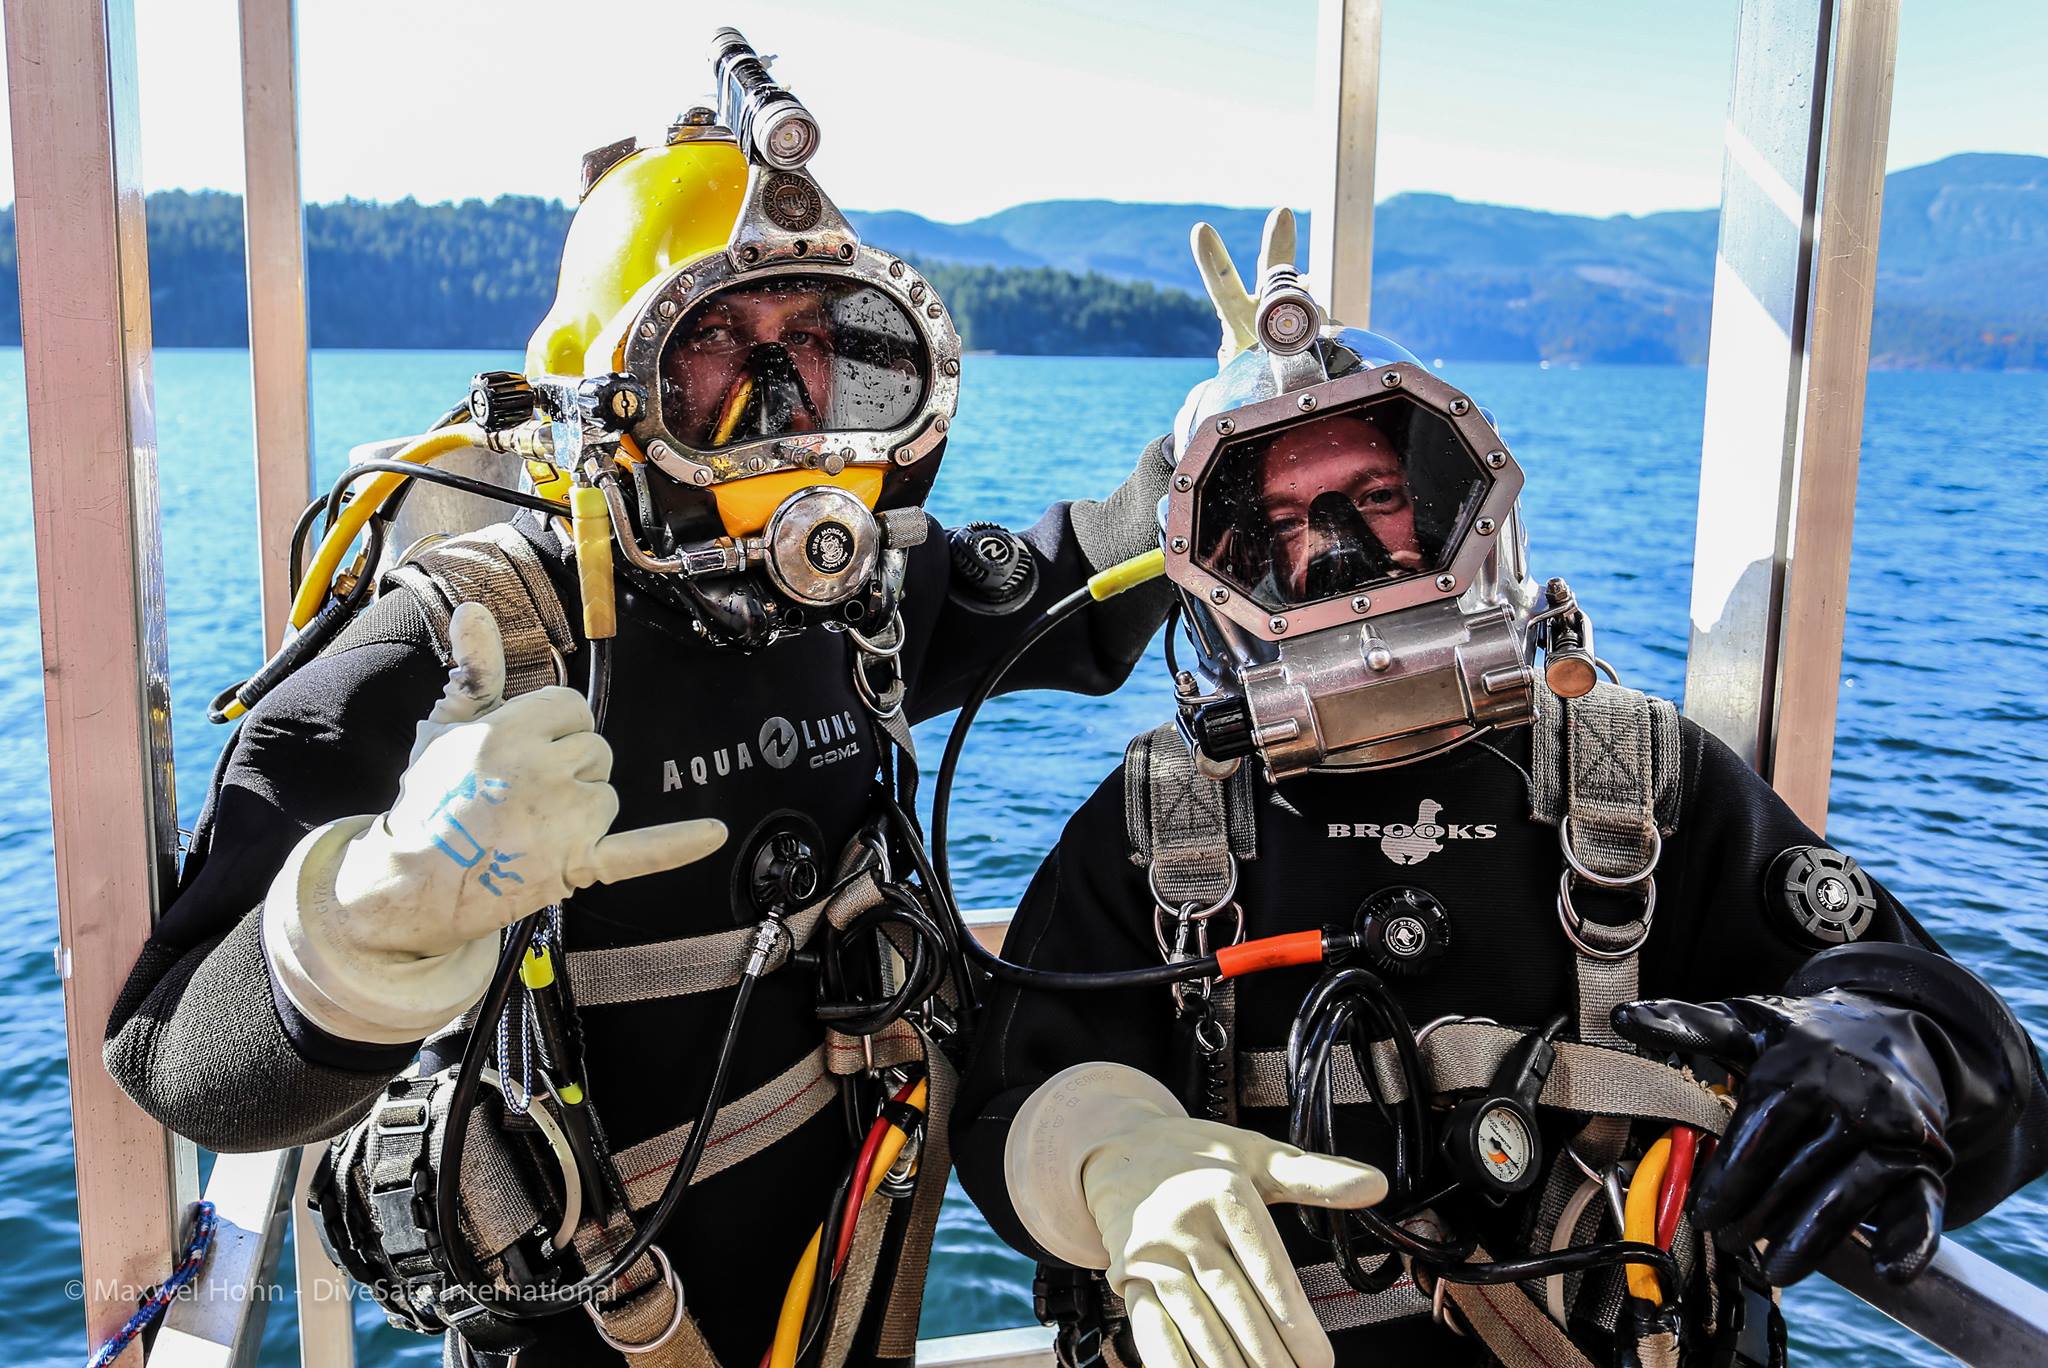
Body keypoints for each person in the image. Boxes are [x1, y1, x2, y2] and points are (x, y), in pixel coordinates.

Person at [103, 34, 1172, 1368]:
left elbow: (1087, 581)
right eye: (715, 341)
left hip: (847, 1307)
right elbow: (170, 1052)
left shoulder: (862, 596)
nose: (780, 391)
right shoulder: (468, 646)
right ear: (599, 380)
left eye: (820, 341)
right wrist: (371, 924)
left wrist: (1221, 447)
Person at [953, 210, 2048, 1368]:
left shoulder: (1634, 782)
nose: (1334, 552)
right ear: (1217, 569)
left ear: (1456, 507)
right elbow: (1006, 1099)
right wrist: (1100, 1153)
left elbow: (1981, 1078)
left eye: (1370, 499)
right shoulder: (1160, 821)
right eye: (1278, 521)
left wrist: (1900, 1053)